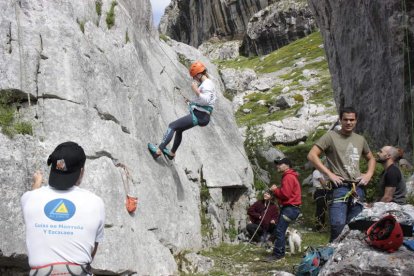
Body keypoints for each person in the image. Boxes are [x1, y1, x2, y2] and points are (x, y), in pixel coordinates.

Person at [21, 142, 105, 276]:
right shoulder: (96, 202)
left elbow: (31, 198)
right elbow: (92, 251)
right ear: (82, 171)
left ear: (52, 168)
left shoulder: (28, 198)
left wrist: (37, 182)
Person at [307, 107, 376, 242]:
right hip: (339, 187)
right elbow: (312, 155)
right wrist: (329, 174)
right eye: (345, 119)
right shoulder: (331, 136)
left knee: (355, 227)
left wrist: (369, 174)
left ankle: (349, 259)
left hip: (358, 188)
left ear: (356, 121)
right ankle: (332, 258)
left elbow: (371, 158)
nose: (348, 122)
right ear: (340, 120)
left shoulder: (360, 139)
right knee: (338, 226)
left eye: (351, 120)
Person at [148, 61, 217, 160]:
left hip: (200, 115)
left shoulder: (207, 84)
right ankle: (171, 154)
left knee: (172, 126)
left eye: (194, 76)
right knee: (179, 130)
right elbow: (204, 101)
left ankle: (158, 151)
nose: (194, 79)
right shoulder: (208, 83)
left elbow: (205, 100)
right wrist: (191, 102)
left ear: (198, 74)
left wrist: (195, 89)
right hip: (202, 115)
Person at [265, 158, 302, 262]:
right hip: (291, 208)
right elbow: (286, 195)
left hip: (290, 209)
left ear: (287, 165)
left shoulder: (288, 177)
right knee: (279, 230)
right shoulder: (289, 176)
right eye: (277, 164)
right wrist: (275, 194)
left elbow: (285, 195)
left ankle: (278, 255)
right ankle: (278, 252)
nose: (278, 166)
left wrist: (275, 190)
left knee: (280, 231)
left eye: (280, 164)